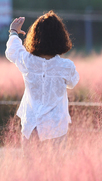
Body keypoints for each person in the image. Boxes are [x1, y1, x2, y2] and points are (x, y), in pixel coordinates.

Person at [5, 11, 80, 153]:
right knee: (55, 169)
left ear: (34, 37)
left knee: (30, 169)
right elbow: (72, 82)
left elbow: (12, 51)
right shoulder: (66, 66)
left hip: (32, 125)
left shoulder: (27, 61)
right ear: (61, 38)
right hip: (56, 127)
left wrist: (13, 31)